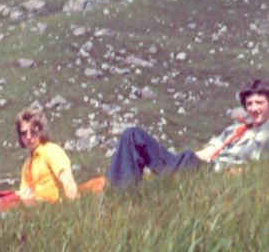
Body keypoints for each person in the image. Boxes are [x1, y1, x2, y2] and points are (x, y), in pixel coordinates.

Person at [107, 78, 269, 189]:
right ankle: (121, 190)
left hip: (214, 174)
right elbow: (206, 153)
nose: (254, 108)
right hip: (197, 166)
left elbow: (258, 169)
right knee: (132, 135)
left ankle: (122, 192)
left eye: (259, 103)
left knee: (152, 179)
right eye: (249, 104)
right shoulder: (236, 129)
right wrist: (175, 162)